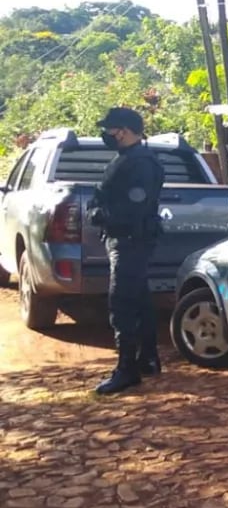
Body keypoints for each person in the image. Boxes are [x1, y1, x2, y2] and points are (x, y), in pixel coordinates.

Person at [87, 107, 165, 395]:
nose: (107, 134)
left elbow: (135, 206)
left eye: (111, 129)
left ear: (124, 130)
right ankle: (148, 358)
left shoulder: (141, 163)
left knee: (122, 304)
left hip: (131, 240)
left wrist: (101, 215)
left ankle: (126, 370)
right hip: (127, 238)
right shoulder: (128, 159)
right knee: (140, 300)